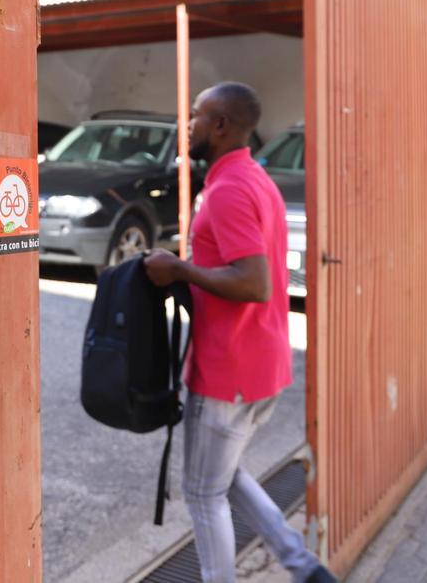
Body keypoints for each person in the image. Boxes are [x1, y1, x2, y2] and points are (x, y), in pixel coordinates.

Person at [144, 82, 337, 583]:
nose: (189, 125)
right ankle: (304, 567)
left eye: (196, 116)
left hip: (228, 369)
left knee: (204, 493)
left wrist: (180, 270)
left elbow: (253, 281)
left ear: (222, 125)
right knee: (223, 477)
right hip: (260, 366)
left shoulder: (228, 189)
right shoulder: (255, 178)